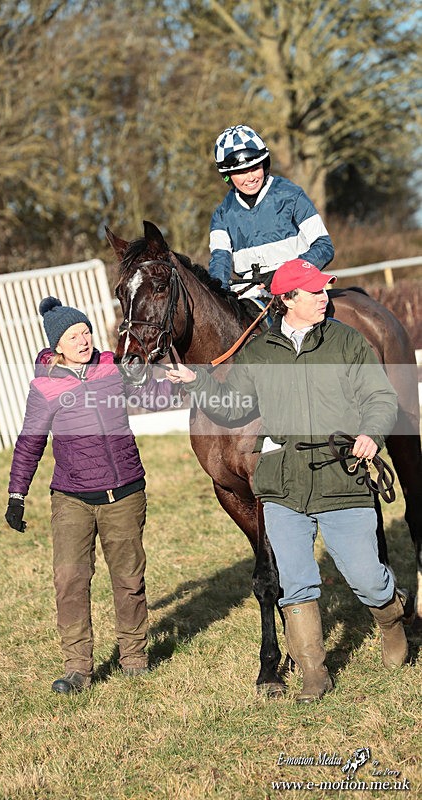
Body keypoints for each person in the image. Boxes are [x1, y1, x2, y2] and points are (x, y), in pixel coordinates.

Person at [166, 258, 409, 703]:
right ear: (287, 300)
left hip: (341, 474)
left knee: (366, 577)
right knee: (296, 579)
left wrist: (372, 433)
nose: (324, 298)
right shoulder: (259, 353)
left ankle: (392, 618)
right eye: (314, 292)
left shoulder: (346, 341)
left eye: (324, 291)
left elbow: (380, 395)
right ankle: (314, 673)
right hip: (283, 482)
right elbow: (233, 405)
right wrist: (195, 381)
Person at [5, 297, 177, 694]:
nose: (83, 340)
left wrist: (176, 382)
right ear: (57, 345)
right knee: (69, 579)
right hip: (72, 497)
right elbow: (30, 442)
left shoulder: (112, 368)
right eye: (73, 335)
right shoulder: (46, 385)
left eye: (85, 331)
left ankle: (134, 657)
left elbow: (153, 397)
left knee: (129, 578)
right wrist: (17, 495)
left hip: (125, 492)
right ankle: (78, 667)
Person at [209, 124, 334, 296]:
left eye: (254, 168)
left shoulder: (291, 194)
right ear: (227, 176)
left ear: (265, 165)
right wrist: (217, 293)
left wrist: (284, 275)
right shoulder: (222, 215)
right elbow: (220, 263)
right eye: (241, 172)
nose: (250, 177)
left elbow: (324, 247)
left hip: (299, 285)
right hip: (250, 292)